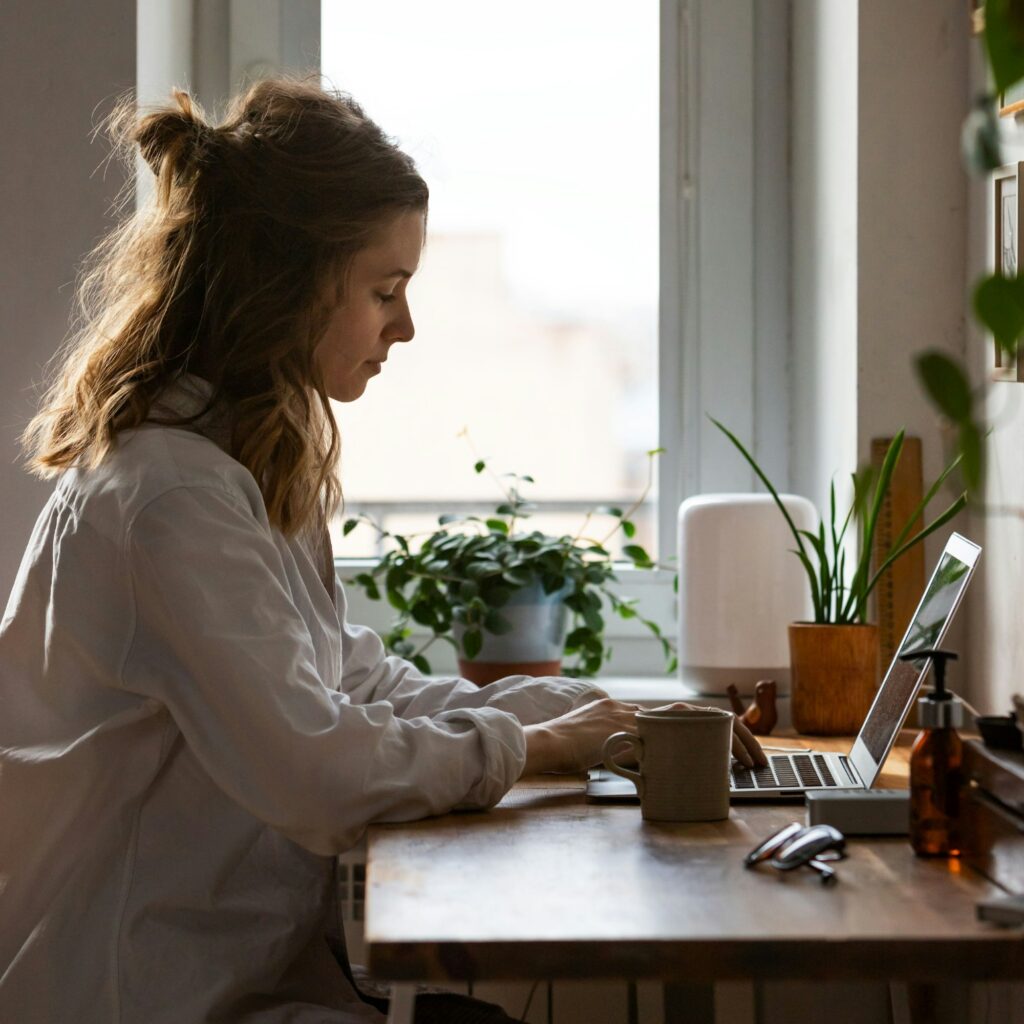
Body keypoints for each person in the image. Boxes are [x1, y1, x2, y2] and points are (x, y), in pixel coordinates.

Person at [0, 79, 765, 1024]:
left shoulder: (237, 470)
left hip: (231, 984)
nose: (404, 328)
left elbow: (360, 689)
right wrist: (530, 746)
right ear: (286, 285)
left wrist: (602, 714)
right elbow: (317, 774)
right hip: (135, 997)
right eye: (385, 291)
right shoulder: (171, 501)